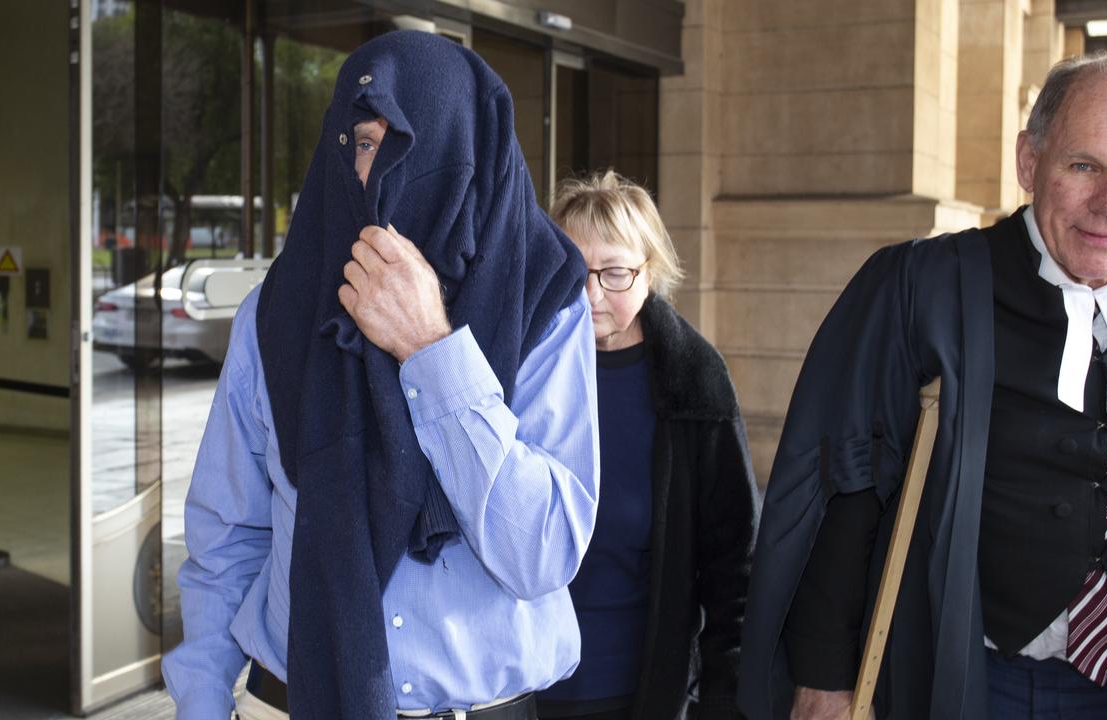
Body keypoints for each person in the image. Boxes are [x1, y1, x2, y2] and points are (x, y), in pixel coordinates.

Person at [162, 31, 600, 720]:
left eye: (405, 144)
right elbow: (228, 538)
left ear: (463, 153)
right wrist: (203, 703)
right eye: (362, 143)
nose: (376, 173)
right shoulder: (278, 312)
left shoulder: (544, 302)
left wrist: (431, 348)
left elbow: (542, 552)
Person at [738, 48, 1107, 720]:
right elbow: (849, 487)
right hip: (976, 681)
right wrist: (826, 678)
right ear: (1029, 161)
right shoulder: (925, 291)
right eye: (1084, 165)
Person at [533, 170, 759, 720]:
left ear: (649, 272)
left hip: (636, 694)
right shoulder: (521, 366)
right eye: (572, 270)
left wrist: (723, 699)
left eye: (613, 273)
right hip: (516, 688)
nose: (589, 294)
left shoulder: (696, 382)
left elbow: (735, 566)